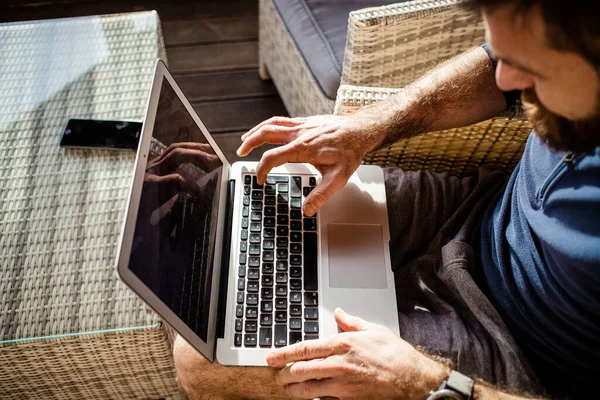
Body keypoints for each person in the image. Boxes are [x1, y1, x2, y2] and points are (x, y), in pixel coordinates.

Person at [173, 0, 599, 398]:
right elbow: (494, 73)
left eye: (533, 68)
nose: (505, 78)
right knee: (254, 199)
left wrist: (423, 384)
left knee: (201, 359)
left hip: (514, 347)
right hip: (477, 211)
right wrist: (369, 125)